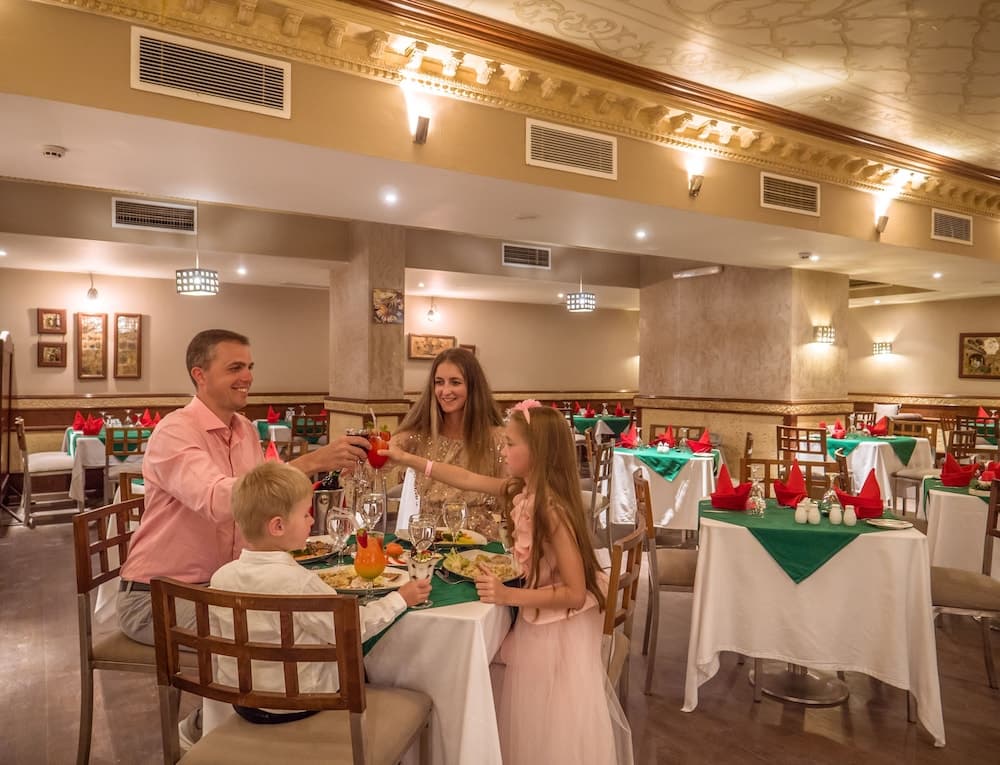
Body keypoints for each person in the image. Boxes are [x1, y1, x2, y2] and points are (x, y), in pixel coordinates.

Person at [383, 400, 633, 764]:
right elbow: (467, 478)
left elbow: (575, 594)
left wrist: (506, 595)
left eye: (511, 443)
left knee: (540, 730)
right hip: (541, 618)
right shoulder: (524, 490)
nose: (502, 449)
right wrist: (409, 460)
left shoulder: (551, 509)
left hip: (555, 631)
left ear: (537, 452)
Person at [118, 329, 372, 646]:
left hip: (229, 585)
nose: (248, 377)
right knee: (299, 633)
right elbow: (217, 501)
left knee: (337, 615)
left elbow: (265, 506)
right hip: (159, 597)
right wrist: (310, 462)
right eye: (235, 368)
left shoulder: (245, 430)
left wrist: (329, 472)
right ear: (200, 375)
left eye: (250, 367)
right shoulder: (175, 432)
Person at [205, 462, 430, 728]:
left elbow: (220, 651)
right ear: (278, 526)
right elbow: (353, 629)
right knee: (369, 670)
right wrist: (400, 599)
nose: (312, 521)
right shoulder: (300, 583)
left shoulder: (220, 578)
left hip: (244, 704)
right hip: (301, 704)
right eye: (305, 515)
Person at [393, 347, 505, 537]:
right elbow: (381, 458)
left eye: (455, 382)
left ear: (473, 386)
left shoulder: (497, 439)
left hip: (481, 543)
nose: (445, 391)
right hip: (428, 541)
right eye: (439, 382)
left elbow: (512, 493)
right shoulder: (419, 435)